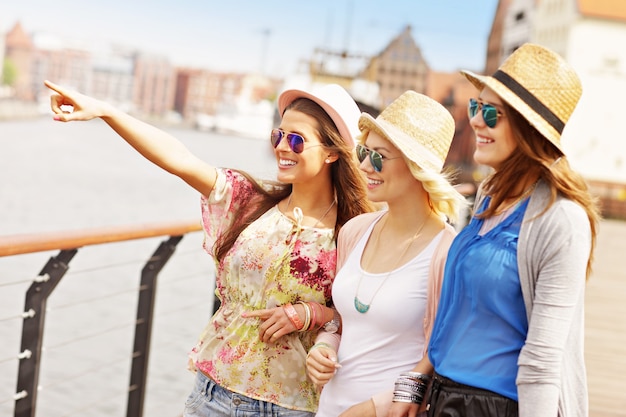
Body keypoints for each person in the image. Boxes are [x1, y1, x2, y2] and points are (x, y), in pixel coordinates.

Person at [43, 80, 375, 417]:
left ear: (332, 152)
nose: (282, 147)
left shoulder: (354, 231)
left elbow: (369, 318)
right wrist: (106, 111)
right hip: (211, 394)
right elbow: (179, 159)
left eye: (296, 140)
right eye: (278, 136)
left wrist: (311, 314)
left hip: (288, 406)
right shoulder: (250, 200)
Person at [425, 43, 601, 417]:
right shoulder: (489, 195)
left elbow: (542, 358)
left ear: (527, 128)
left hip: (497, 407)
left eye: (492, 113)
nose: (475, 120)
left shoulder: (561, 219)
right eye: (476, 106)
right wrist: (417, 386)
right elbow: (455, 317)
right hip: (443, 398)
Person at [305, 90, 466, 417]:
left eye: (378, 156)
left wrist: (372, 409)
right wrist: (324, 345)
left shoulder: (448, 252)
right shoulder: (355, 231)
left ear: (416, 167)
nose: (364, 165)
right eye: (364, 152)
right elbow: (341, 321)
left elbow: (443, 353)